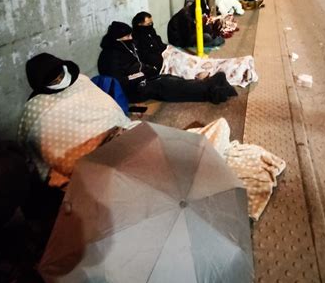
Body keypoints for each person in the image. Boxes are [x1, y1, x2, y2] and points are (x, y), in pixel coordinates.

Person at [18, 53, 137, 185]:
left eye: (60, 76)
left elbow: (109, 110)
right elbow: (34, 142)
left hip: (110, 130)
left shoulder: (80, 81)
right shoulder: (35, 108)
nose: (59, 81)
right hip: (78, 154)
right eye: (54, 81)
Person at [99, 21, 234, 104]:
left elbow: (138, 63)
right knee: (168, 86)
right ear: (117, 38)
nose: (131, 38)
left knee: (173, 79)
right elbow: (119, 81)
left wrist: (148, 69)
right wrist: (143, 74)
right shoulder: (109, 57)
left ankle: (209, 84)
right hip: (135, 89)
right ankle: (212, 91)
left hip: (145, 79)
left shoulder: (125, 47)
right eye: (127, 36)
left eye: (130, 35)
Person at [134, 12, 257, 88]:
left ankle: (240, 65)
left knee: (198, 61)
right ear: (139, 25)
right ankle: (237, 70)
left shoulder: (151, 33)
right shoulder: (139, 40)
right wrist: (167, 56)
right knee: (194, 68)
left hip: (171, 53)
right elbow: (150, 57)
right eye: (148, 24)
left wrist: (169, 51)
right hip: (167, 60)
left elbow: (161, 44)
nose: (151, 27)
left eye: (152, 23)